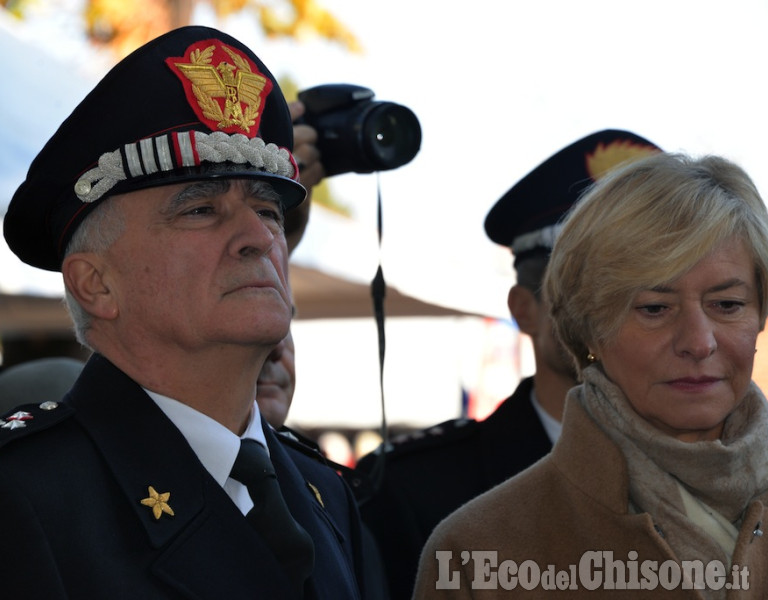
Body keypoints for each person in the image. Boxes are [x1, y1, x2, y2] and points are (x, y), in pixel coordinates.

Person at [0, 26, 364, 599]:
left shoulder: (325, 492)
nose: (259, 237)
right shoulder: (26, 499)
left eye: (268, 208)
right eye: (200, 210)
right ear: (95, 285)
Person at [412, 151, 768, 598]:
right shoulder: (478, 552)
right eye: (654, 308)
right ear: (589, 329)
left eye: (728, 305)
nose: (699, 342)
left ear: (760, 316)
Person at [353, 130, 661, 599]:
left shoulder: (722, 466)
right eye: (585, 291)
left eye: (647, 297)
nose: (611, 315)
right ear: (524, 308)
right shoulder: (414, 490)